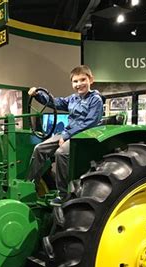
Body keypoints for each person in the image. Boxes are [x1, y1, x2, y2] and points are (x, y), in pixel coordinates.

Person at [27, 65, 103, 205]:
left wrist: (66, 135)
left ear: (91, 80)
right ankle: (30, 186)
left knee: (61, 153)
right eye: (75, 81)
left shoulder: (95, 99)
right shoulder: (73, 99)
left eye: (82, 80)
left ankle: (63, 195)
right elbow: (54, 102)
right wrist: (37, 94)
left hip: (85, 135)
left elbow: (90, 122)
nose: (79, 84)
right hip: (69, 133)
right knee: (39, 148)